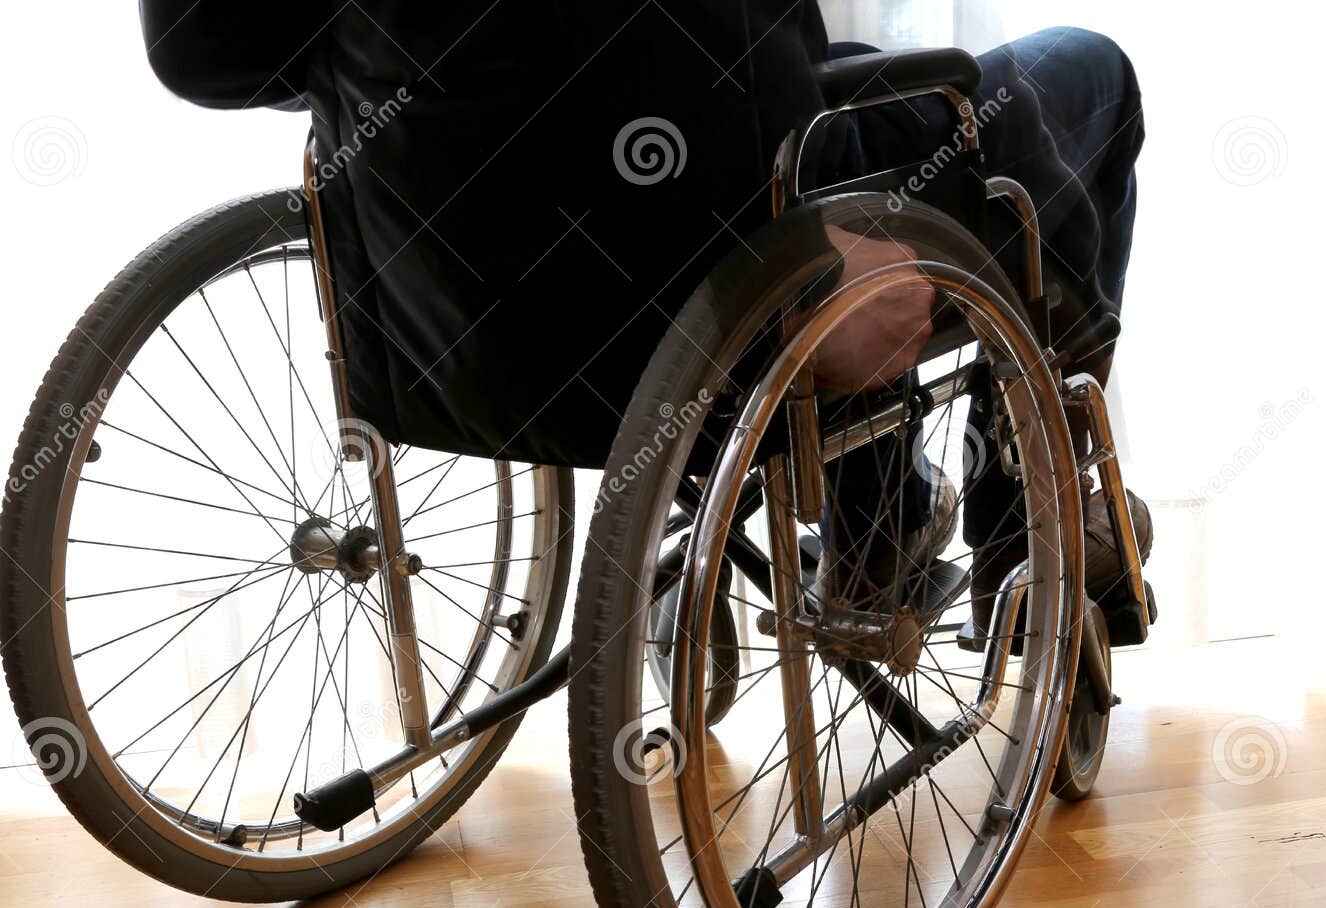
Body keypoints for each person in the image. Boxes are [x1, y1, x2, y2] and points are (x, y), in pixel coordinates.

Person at [137, 2, 1151, 608]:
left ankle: (880, 508)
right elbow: (725, 75)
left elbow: (205, 52)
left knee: (820, 96)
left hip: (459, 330)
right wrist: (812, 267)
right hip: (714, 275)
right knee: (1088, 74)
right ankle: (1025, 523)